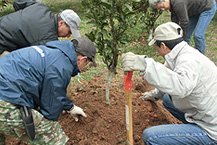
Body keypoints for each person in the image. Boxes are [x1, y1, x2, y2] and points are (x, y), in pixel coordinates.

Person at [121, 22, 217, 144]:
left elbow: (180, 87)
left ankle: (196, 136)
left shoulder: (188, 61)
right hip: (206, 112)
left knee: (151, 137)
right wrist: (155, 94)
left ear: (163, 45)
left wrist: (145, 65)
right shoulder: (180, 53)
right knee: (167, 99)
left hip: (212, 129)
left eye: (157, 46)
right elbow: (169, 75)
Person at [0, 37, 97, 144]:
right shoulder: (61, 67)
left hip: (5, 85)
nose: (84, 67)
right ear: (82, 59)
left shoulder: (52, 53)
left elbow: (52, 89)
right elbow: (50, 108)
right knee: (53, 137)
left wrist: (70, 107)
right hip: (4, 98)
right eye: (87, 63)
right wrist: (47, 125)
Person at [0, 0, 81, 57]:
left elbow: (18, 2)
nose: (68, 36)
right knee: (16, 68)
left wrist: (23, 19)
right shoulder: (48, 38)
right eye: (69, 32)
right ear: (61, 23)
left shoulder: (40, 7)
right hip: (2, 46)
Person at [148, 0, 216, 54]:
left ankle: (201, 57)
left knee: (198, 35)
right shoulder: (171, 4)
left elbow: (184, 22)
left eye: (162, 6)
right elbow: (174, 22)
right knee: (187, 35)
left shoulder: (178, 3)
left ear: (164, 0)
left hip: (207, 7)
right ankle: (185, 54)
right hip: (194, 11)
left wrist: (180, 40)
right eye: (160, 9)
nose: (162, 9)